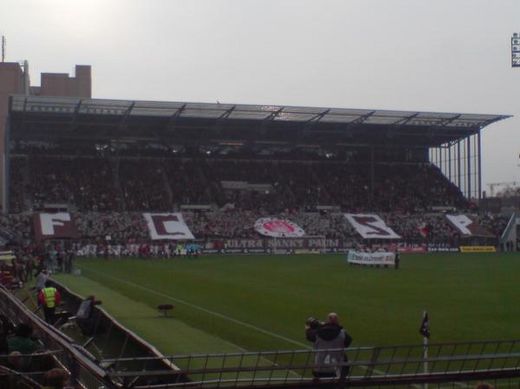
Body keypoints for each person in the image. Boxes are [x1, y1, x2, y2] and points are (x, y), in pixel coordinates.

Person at [306, 312, 353, 380]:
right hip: (336, 368)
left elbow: (309, 335)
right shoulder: (342, 333)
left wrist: (309, 328)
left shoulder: (317, 333)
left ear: (327, 320)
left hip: (319, 367)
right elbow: (347, 342)